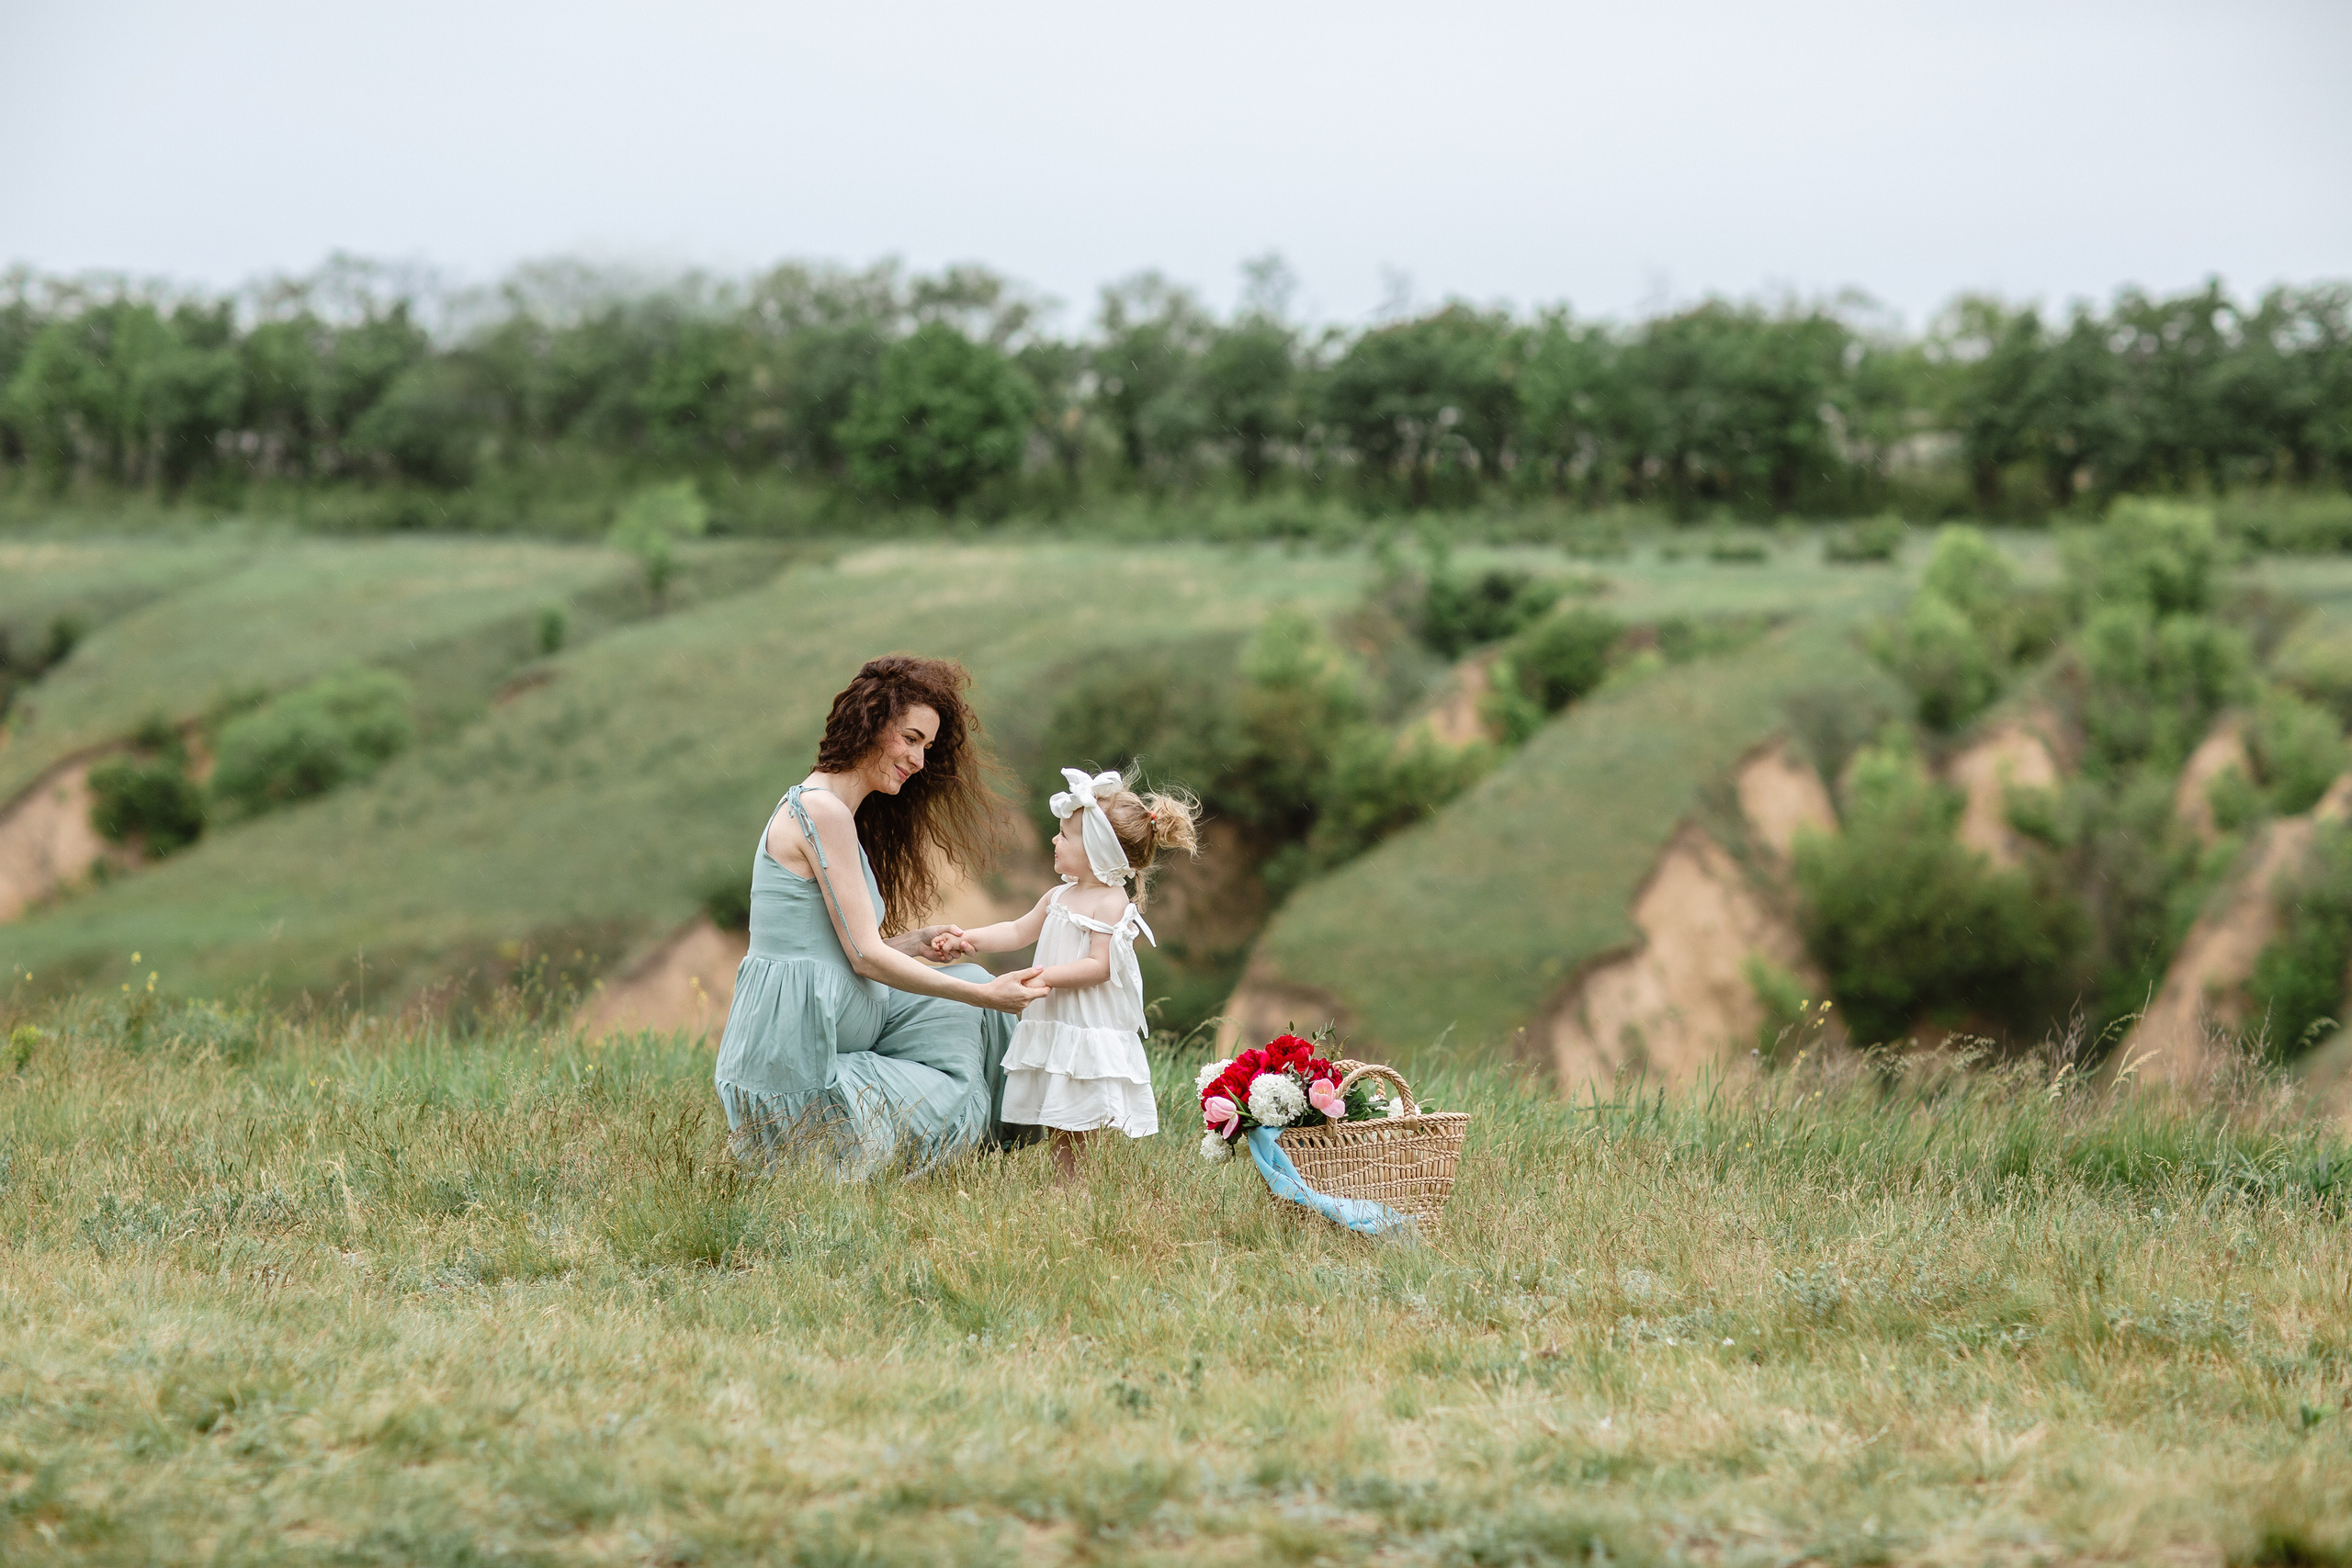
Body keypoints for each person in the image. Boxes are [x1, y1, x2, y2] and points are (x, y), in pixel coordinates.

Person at [714, 655, 1049, 1177]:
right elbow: (864, 958)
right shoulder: (822, 811)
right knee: (972, 1022)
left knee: (966, 991)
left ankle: (1027, 1133)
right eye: (911, 738)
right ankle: (962, 1146)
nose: (918, 760)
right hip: (800, 1062)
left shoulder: (835, 811)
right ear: (871, 721)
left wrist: (912, 943)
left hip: (841, 1025)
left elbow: (832, 948)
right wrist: (990, 996)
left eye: (927, 747)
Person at [948, 767, 1201, 1179]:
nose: (1054, 839)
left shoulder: (1111, 903)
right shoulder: (1061, 894)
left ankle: (1077, 1187)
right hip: (1057, 1019)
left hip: (1085, 1022)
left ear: (1098, 851)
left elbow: (1099, 967)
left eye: (1065, 835)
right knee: (1058, 1108)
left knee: (1080, 1113)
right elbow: (1016, 930)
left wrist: (1042, 977)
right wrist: (968, 939)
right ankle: (1065, 1184)